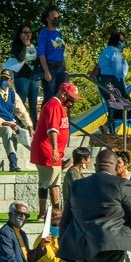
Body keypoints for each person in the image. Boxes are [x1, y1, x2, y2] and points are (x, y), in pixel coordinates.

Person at [30, 82, 78, 219]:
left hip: (48, 150)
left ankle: (42, 213)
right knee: (54, 183)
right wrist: (55, 149)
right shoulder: (54, 105)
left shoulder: (60, 106)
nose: (72, 101)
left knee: (45, 182)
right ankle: (56, 213)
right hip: (47, 150)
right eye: (71, 98)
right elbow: (52, 130)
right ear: (63, 94)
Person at [0, 68, 34, 172]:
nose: (3, 80)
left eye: (6, 78)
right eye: (2, 78)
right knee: (8, 130)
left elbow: (22, 111)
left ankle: (45, 158)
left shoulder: (13, 94)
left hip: (11, 123)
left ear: (11, 81)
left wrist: (29, 126)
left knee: (28, 135)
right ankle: (13, 162)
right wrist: (7, 124)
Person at [9, 23, 40, 125]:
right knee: (21, 101)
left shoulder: (33, 45)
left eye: (29, 32)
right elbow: (21, 58)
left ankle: (34, 126)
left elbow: (36, 60)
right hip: (22, 76)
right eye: (25, 32)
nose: (28, 34)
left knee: (33, 103)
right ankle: (17, 124)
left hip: (34, 76)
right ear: (20, 34)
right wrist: (24, 44)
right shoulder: (16, 45)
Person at [37, 7, 68, 103]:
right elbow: (41, 53)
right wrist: (46, 71)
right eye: (54, 17)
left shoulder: (58, 33)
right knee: (50, 97)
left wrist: (65, 69)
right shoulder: (44, 33)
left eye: (58, 17)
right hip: (50, 66)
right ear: (47, 19)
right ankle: (46, 117)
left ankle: (58, 117)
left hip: (61, 66)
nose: (56, 20)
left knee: (61, 95)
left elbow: (60, 52)